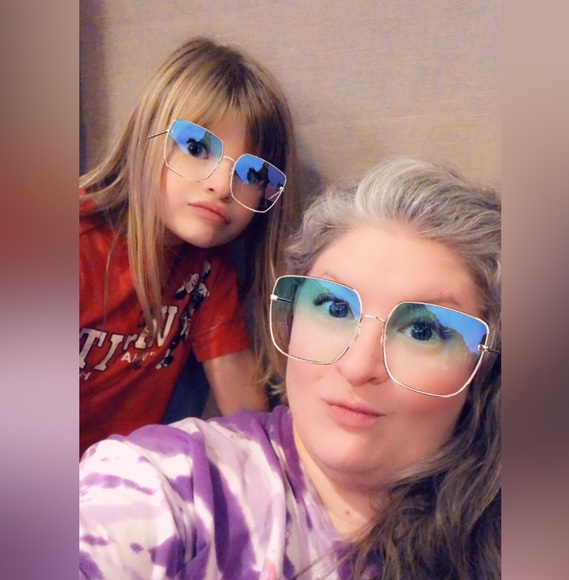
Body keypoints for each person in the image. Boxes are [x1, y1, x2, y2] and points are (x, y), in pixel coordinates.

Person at [79, 158, 501, 579]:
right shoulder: (168, 484)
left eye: (424, 331)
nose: (356, 367)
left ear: (484, 368)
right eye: (334, 308)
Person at [79, 37, 299, 456]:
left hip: (122, 478)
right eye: (197, 148)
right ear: (146, 137)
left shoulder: (207, 266)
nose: (221, 186)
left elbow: (245, 411)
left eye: (253, 175)